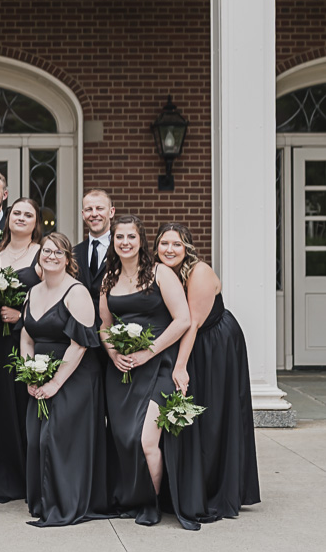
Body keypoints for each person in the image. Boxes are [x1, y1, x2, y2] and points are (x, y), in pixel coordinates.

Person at [100, 214, 200, 530]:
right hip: (121, 370)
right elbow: (104, 326)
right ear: (112, 242)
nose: (125, 242)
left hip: (159, 366)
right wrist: (114, 352)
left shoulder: (160, 273)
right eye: (119, 237)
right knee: (122, 439)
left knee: (144, 441)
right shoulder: (108, 278)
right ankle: (129, 499)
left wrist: (148, 352)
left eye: (131, 237)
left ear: (142, 241)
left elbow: (183, 319)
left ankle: (150, 502)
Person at [156, 224, 261, 519]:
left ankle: (219, 488)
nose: (169, 249)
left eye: (176, 244)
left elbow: (193, 322)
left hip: (215, 344)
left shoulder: (198, 271)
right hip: (192, 344)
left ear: (187, 247)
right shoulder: (164, 273)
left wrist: (179, 366)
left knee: (213, 414)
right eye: (164, 243)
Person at [20, 233, 109, 526]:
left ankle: (66, 502)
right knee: (35, 439)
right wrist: (29, 373)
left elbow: (80, 345)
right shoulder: (33, 292)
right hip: (40, 373)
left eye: (59, 252)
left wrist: (55, 383)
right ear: (39, 257)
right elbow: (26, 337)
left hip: (74, 375)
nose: (52, 256)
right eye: (47, 251)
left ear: (68, 259)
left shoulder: (77, 292)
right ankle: (43, 500)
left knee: (56, 438)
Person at [0, 196, 43, 503]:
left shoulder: (42, 254)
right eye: (16, 212)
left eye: (27, 214)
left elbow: (55, 295)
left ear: (36, 222)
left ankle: (26, 478)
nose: (20, 217)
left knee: (23, 407)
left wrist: (23, 317)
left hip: (26, 340)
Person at [73, 189, 115, 316]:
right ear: (82, 214)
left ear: (111, 212)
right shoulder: (74, 253)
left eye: (100, 208)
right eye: (89, 209)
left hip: (114, 326)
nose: (94, 214)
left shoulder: (123, 250)